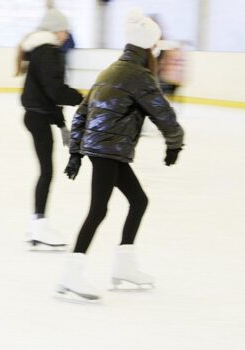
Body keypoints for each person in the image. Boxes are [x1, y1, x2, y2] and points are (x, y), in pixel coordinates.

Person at [58, 10, 184, 302]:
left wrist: (76, 153)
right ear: (150, 47)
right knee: (98, 210)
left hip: (102, 147)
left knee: (138, 200)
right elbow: (162, 111)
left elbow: (81, 114)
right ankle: (71, 272)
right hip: (108, 149)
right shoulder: (139, 75)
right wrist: (175, 142)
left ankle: (123, 266)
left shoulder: (110, 70)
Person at [16, 8, 83, 250]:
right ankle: (38, 223)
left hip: (39, 116)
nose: (67, 35)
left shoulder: (43, 51)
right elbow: (55, 90)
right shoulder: (48, 52)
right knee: (46, 172)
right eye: (65, 30)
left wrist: (62, 124)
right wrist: (83, 99)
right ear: (56, 30)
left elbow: (49, 94)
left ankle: (37, 221)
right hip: (38, 118)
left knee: (46, 171)